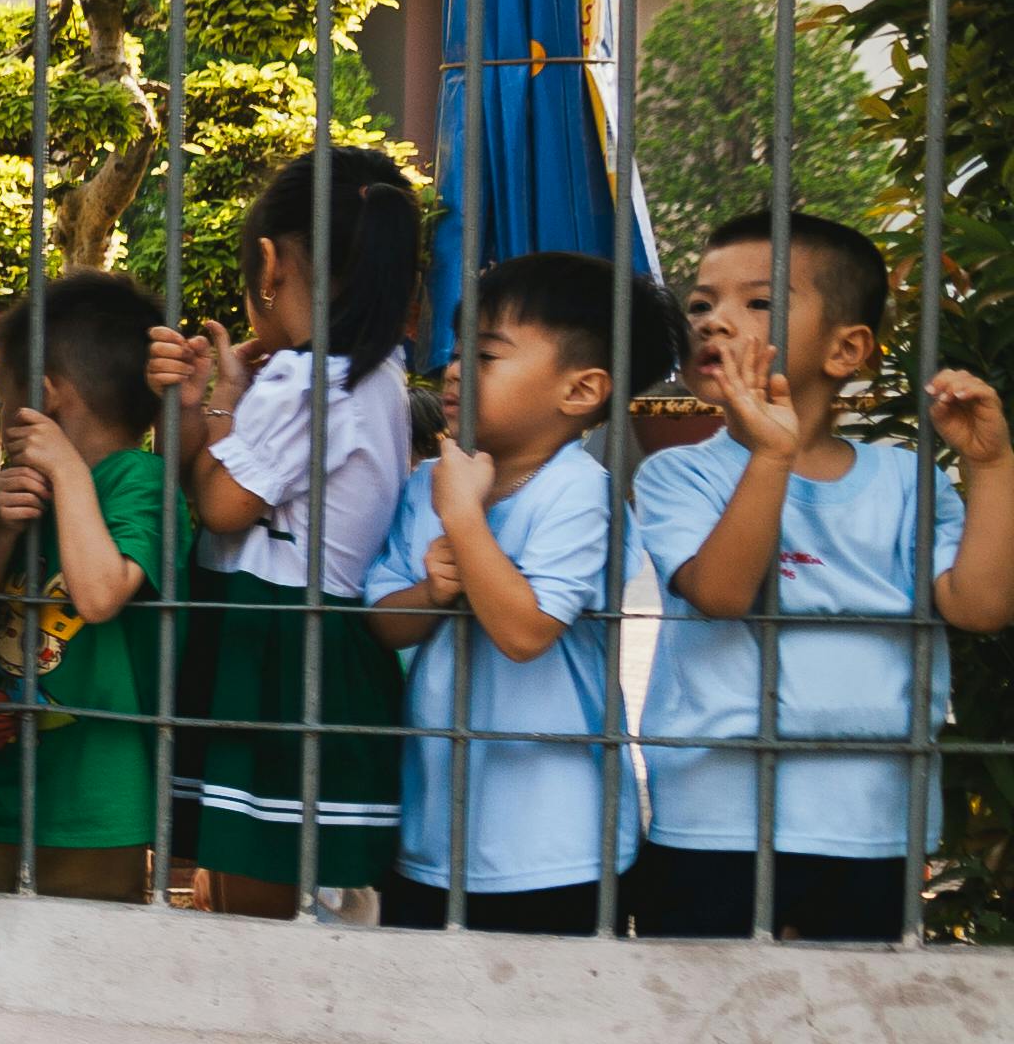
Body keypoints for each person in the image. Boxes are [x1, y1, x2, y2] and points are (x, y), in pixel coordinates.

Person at [629, 206, 1014, 940]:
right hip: (717, 818)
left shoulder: (905, 482)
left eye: (758, 302)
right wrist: (771, 455)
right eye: (701, 303)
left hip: (872, 817)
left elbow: (980, 606)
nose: (713, 322)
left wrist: (990, 465)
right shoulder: (679, 475)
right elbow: (720, 594)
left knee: (851, 1030)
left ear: (848, 350)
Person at [360, 252, 679, 933]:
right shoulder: (428, 485)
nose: (453, 367)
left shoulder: (576, 491)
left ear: (581, 390)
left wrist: (466, 522)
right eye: (455, 348)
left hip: (561, 846)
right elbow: (381, 623)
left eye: (486, 355)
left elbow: (526, 631)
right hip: (432, 837)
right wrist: (429, 592)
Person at [154, 145, 427, 917]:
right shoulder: (374, 376)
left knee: (255, 879)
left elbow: (220, 504)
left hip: (278, 648)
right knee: (276, 871)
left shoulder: (307, 379)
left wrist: (222, 402)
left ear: (269, 265)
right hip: (314, 641)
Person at [0, 274, 173, 903]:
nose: (2, 421)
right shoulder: (15, 494)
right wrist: (2, 529)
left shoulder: (140, 480)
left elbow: (99, 595)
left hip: (98, 809)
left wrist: (64, 468)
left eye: (6, 400)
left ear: (44, 399)